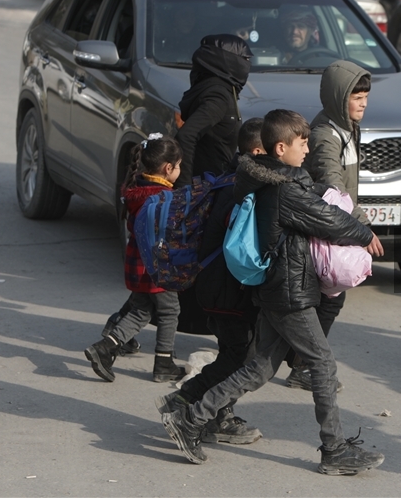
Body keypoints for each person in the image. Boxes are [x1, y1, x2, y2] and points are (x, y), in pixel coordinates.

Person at [158, 109, 384, 476]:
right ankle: (334, 449)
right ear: (281, 147)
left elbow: (318, 206)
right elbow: (325, 217)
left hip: (280, 289)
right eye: (303, 143)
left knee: (259, 369)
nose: (308, 149)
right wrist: (364, 233)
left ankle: (190, 418)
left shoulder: (274, 180)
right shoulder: (283, 188)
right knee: (322, 365)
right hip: (289, 292)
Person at [157, 118, 266, 445]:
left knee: (234, 354)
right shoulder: (242, 190)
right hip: (226, 290)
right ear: (260, 151)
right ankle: (185, 403)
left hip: (215, 286)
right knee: (241, 359)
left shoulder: (229, 178)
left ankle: (217, 414)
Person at [284, 60, 384, 391]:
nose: (363, 104)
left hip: (334, 221)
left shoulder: (344, 127)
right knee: (328, 296)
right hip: (328, 223)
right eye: (357, 98)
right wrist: (362, 228)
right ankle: (303, 365)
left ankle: (301, 361)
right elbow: (333, 184)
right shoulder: (327, 135)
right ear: (340, 97)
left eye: (366, 98)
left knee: (324, 296)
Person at [84, 135, 186, 383]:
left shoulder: (136, 190)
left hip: (137, 264)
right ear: (168, 168)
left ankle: (107, 345)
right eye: (179, 166)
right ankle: (162, 362)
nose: (180, 171)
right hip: (158, 266)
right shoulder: (165, 198)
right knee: (170, 310)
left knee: (141, 309)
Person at [175, 34, 252, 187]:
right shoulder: (219, 96)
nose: (248, 64)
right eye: (244, 59)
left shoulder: (212, 86)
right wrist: (184, 187)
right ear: (228, 61)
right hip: (206, 189)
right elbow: (186, 136)